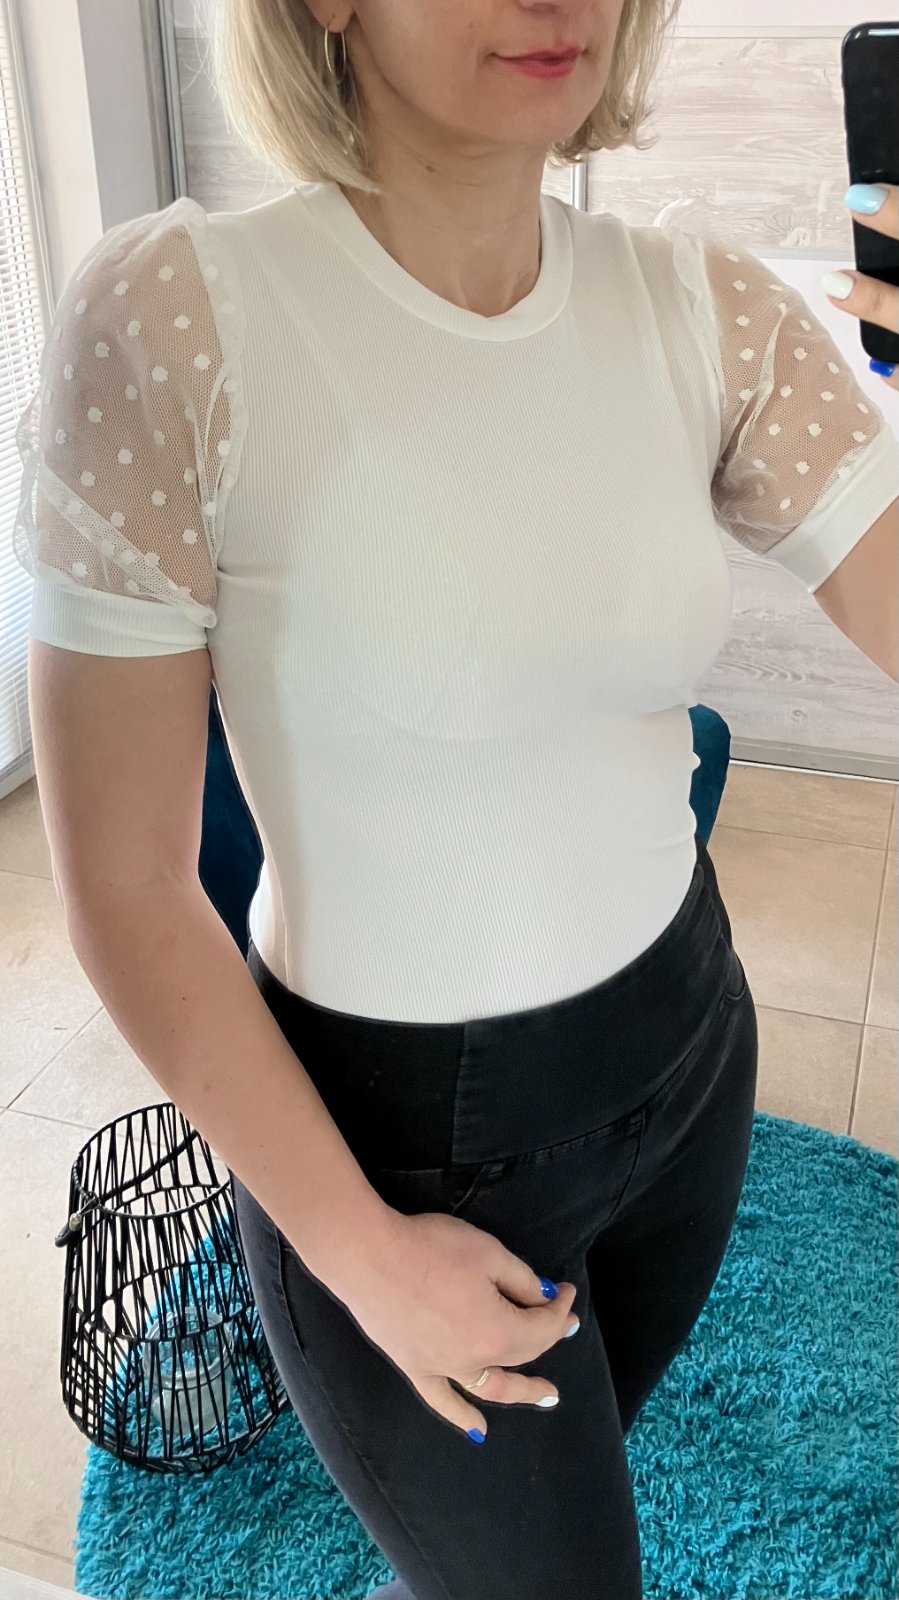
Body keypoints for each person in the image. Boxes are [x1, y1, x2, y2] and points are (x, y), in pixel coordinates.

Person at [14, 0, 898, 1595]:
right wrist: (360, 1256)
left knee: (580, 1478)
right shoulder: (177, 318)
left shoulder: (704, 309)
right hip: (406, 1145)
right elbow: (128, 887)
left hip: (689, 1047)